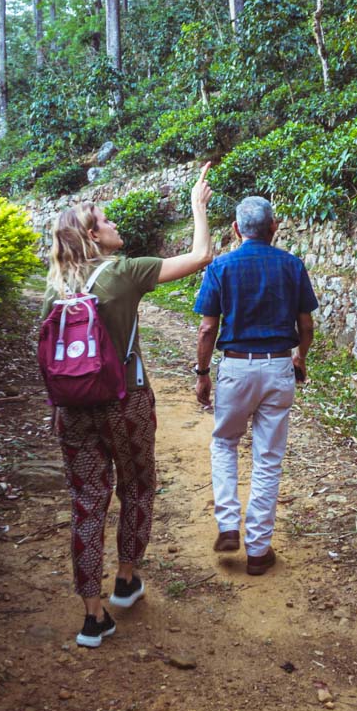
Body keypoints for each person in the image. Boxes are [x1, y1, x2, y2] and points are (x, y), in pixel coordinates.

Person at [43, 164, 213, 647]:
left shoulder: (57, 290)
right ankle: (125, 580)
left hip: (73, 411)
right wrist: (198, 204)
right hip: (126, 403)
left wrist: (59, 406)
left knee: (86, 504)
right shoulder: (123, 273)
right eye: (106, 219)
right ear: (93, 237)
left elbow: (50, 359)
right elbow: (200, 255)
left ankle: (93, 617)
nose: (115, 224)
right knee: (137, 486)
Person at [193, 196, 318, 575]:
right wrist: (301, 358)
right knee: (268, 458)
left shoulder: (221, 267)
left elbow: (207, 328)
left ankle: (228, 523)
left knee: (225, 442)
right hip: (279, 366)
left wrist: (202, 373)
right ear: (274, 227)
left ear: (235, 229)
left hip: (235, 369)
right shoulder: (292, 265)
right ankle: (259, 550)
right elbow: (306, 327)